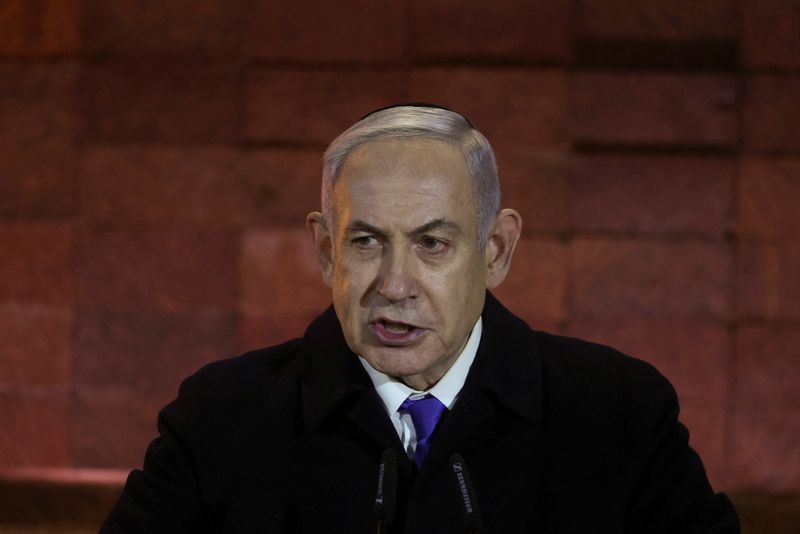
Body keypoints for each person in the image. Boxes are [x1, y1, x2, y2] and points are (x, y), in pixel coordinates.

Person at [101, 104, 740, 533]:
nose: (395, 285)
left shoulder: (621, 412)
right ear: (326, 250)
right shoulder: (219, 417)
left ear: (496, 251)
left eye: (432, 243)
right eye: (366, 242)